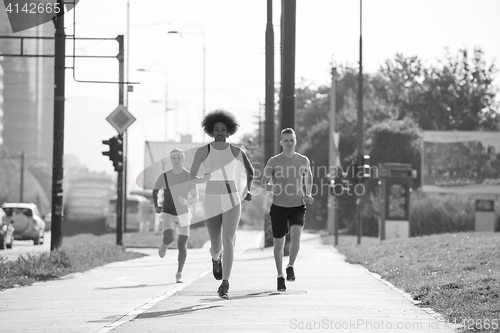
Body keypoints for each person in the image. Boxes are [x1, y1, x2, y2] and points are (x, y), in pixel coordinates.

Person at [190, 109, 254, 299]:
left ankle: (225, 283)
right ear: (211, 131)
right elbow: (192, 177)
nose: (219, 132)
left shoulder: (236, 150)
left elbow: (250, 171)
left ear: (229, 131)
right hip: (211, 198)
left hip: (232, 197)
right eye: (216, 129)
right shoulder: (203, 151)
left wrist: (247, 189)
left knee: (229, 240)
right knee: (216, 245)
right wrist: (204, 178)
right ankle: (215, 258)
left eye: (223, 129)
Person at [261, 128, 314, 292]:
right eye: (286, 140)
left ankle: (290, 266)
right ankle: (279, 275)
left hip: (297, 205)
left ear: (295, 141)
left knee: (296, 238)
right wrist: (272, 187)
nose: (289, 143)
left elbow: (309, 177)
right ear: (281, 143)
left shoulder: (303, 160)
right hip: (279, 207)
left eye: (292, 140)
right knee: (279, 243)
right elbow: (264, 183)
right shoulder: (273, 161)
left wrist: (308, 194)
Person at [152, 149, 206, 283]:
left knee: (182, 244)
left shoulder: (189, 177)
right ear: (171, 160)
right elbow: (155, 190)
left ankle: (179, 273)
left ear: (183, 159)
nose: (176, 160)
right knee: (170, 237)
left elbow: (195, 197)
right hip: (168, 212)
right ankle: (165, 244)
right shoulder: (164, 176)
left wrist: (186, 202)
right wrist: (156, 205)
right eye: (174, 158)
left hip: (183, 213)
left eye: (178, 158)